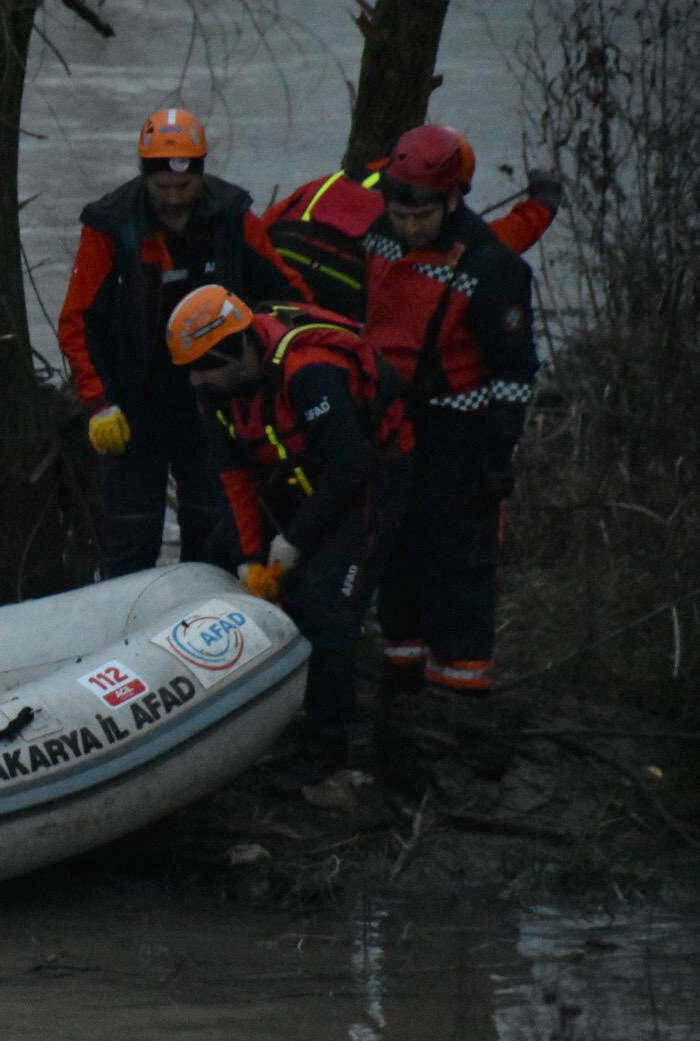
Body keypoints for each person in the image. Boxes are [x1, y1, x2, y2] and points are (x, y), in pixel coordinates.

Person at [58, 107, 310, 578]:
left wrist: (269, 373)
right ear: (143, 175)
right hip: (133, 403)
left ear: (201, 171)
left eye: (184, 185)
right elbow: (77, 321)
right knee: (130, 541)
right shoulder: (111, 224)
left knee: (215, 532)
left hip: (215, 400)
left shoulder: (233, 216)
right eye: (162, 186)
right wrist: (98, 402)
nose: (174, 197)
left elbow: (288, 297)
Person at [166, 285, 413, 757]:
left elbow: (350, 469)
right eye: (189, 371)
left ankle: (328, 744)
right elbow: (235, 476)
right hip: (300, 475)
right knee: (213, 557)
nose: (197, 382)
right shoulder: (216, 391)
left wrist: (293, 542)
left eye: (204, 369)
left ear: (237, 352)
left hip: (368, 479)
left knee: (325, 604)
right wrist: (251, 557)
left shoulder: (310, 373)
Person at [361, 125, 541, 696]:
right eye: (400, 215)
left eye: (422, 218)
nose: (410, 229)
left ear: (453, 199)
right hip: (392, 427)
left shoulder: (493, 269)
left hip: (460, 434)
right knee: (395, 553)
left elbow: (515, 375)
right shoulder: (379, 237)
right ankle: (402, 677)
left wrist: (497, 453)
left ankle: (462, 688)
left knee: (459, 565)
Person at [263, 130, 562, 320]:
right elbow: (490, 249)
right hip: (336, 315)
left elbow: (259, 232)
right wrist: (542, 207)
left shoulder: (328, 183)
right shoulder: (419, 219)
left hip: (267, 297)